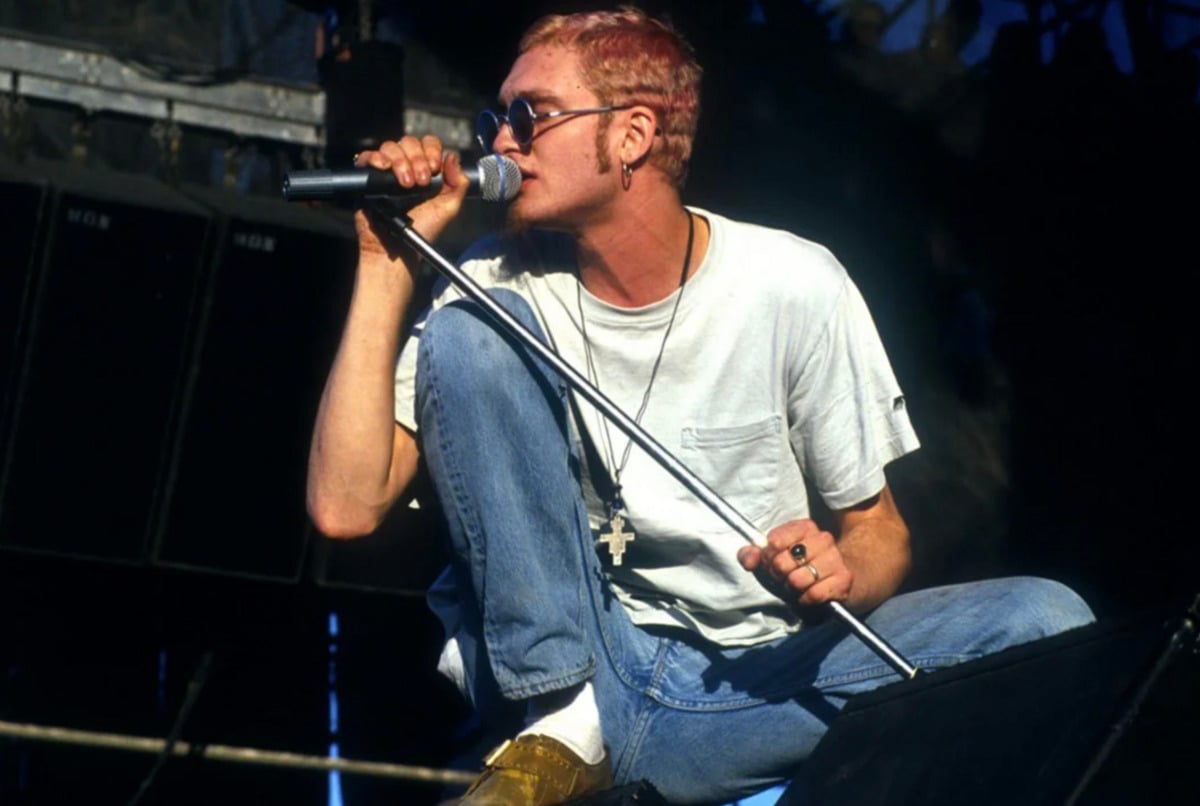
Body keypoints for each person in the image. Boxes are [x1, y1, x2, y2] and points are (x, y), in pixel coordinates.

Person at [306, 7, 1094, 804]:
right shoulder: (490, 280)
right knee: (474, 332)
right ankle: (563, 722)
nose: (498, 141)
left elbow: (879, 530)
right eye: (494, 119)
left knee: (1044, 618)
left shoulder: (792, 283)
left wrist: (841, 571)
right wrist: (385, 260)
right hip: (579, 675)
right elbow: (345, 506)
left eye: (527, 116)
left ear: (632, 135)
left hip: (747, 686)